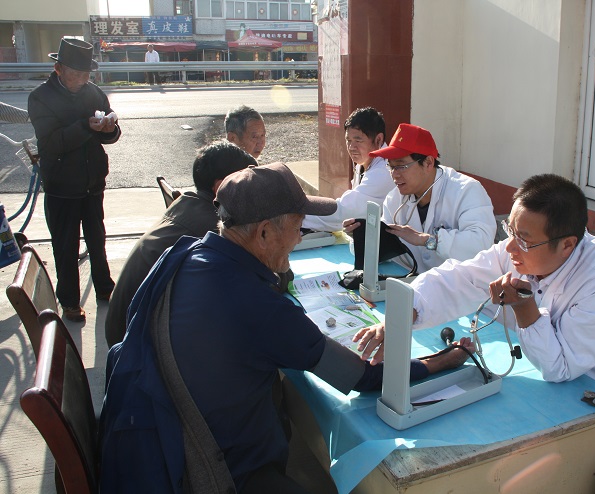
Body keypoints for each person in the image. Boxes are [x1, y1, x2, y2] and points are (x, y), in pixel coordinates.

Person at [99, 163, 472, 493]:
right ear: (263, 233)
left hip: (151, 436)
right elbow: (363, 377)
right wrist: (443, 360)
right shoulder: (259, 307)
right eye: (297, 227)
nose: (299, 238)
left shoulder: (183, 255)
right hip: (212, 472)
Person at [353, 174, 595, 494]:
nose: (510, 247)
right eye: (509, 230)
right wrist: (403, 314)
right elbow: (462, 276)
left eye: (523, 239)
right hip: (563, 389)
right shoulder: (523, 250)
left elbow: (561, 366)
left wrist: (525, 311)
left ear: (567, 244)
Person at [104, 141, 257, 347]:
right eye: (248, 184)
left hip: (125, 334)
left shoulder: (187, 204)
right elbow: (259, 282)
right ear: (221, 187)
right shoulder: (213, 228)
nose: (254, 194)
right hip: (138, 350)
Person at [28, 38, 121, 322]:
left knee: (97, 239)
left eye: (86, 74)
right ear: (58, 69)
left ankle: (105, 287)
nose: (82, 80)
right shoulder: (41, 97)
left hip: (93, 181)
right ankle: (69, 301)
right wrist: (86, 126)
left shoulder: (93, 92)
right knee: (65, 245)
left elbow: (111, 136)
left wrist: (110, 128)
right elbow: (52, 143)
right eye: (76, 74)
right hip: (61, 185)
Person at [345, 123, 497, 273]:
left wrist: (429, 240)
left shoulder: (466, 191)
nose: (394, 174)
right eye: (390, 166)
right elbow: (385, 249)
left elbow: (481, 245)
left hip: (460, 284)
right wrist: (363, 237)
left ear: (428, 163)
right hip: (415, 281)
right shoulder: (395, 198)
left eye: (401, 166)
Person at [303, 107, 395, 232]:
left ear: (378, 139)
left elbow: (342, 213)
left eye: (358, 140)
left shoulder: (383, 171)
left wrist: (299, 215)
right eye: (348, 140)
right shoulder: (364, 162)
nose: (351, 147)